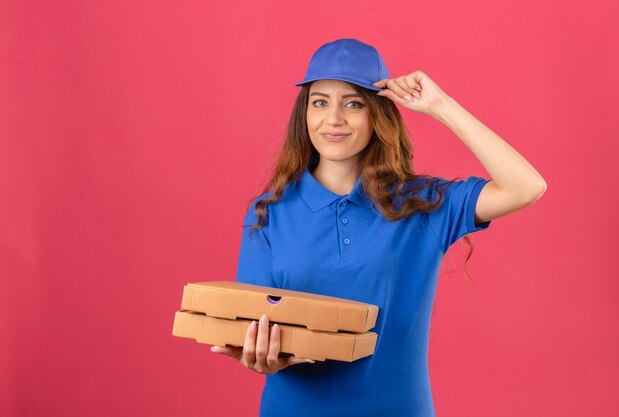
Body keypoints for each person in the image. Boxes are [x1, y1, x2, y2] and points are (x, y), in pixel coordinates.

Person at [210, 38, 546, 417]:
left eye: (353, 103)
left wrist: (441, 107)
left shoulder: (422, 204)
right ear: (304, 113)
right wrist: (258, 357)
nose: (333, 118)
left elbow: (527, 186)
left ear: (378, 114)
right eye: (320, 102)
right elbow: (250, 326)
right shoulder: (269, 212)